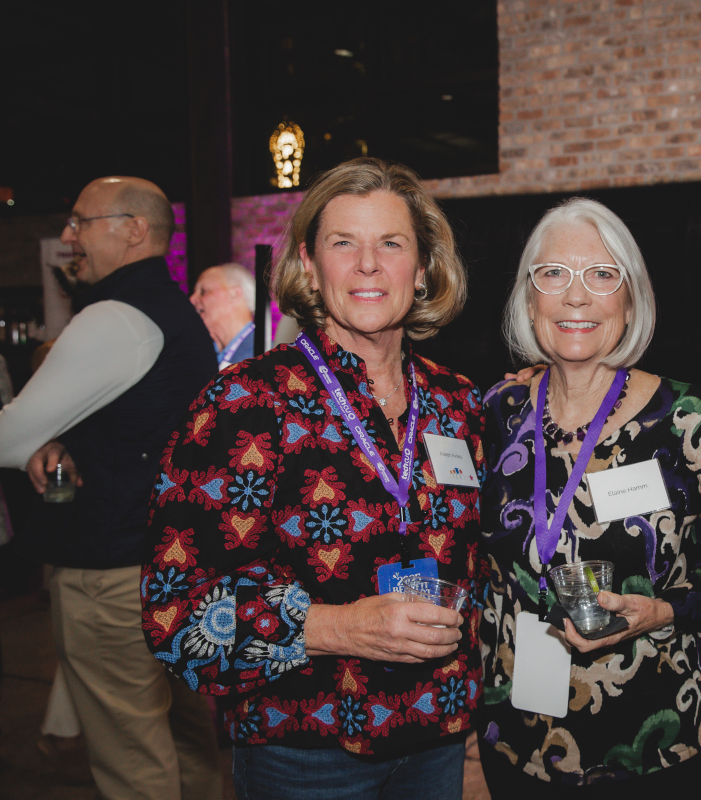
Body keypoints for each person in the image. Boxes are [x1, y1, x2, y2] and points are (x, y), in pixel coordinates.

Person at [141, 157, 485, 800]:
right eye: (343, 243)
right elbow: (174, 613)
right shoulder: (244, 404)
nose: (368, 264)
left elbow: (481, 570)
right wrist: (338, 627)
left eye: (391, 243)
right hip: (304, 750)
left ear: (424, 265)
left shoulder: (457, 402)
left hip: (439, 740)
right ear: (308, 262)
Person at [477, 198, 701, 796]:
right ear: (530, 299)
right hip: (518, 740)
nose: (576, 297)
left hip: (658, 741)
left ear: (630, 299)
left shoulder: (688, 419)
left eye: (602, 275)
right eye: (554, 274)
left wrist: (665, 609)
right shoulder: (497, 414)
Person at [0, 176, 222, 800]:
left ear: (134, 230)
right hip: (168, 563)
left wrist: (36, 439)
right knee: (183, 741)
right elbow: (135, 428)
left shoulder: (115, 316)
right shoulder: (171, 312)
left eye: (80, 222)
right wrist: (61, 439)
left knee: (132, 760)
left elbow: (10, 435)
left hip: (112, 574)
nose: (68, 238)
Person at [191, 262, 257, 368]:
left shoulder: (262, 355)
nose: (192, 299)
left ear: (234, 294)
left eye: (203, 291)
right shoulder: (198, 353)